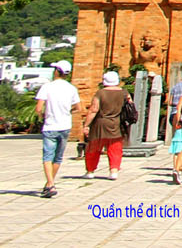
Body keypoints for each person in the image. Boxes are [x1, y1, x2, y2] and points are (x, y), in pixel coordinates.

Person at [34, 60, 80, 198]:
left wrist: (43, 115)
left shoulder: (47, 87)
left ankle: (50, 183)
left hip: (50, 125)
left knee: (48, 156)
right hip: (65, 125)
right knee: (58, 157)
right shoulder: (71, 88)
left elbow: (38, 108)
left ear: (56, 71)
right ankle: (49, 184)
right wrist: (67, 111)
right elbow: (79, 108)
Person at [83, 69, 129, 180]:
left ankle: (90, 171)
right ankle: (113, 171)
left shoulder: (101, 93)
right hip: (117, 123)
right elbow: (130, 107)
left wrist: (86, 125)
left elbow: (94, 109)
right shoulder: (124, 93)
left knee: (94, 147)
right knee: (115, 148)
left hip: (101, 123)